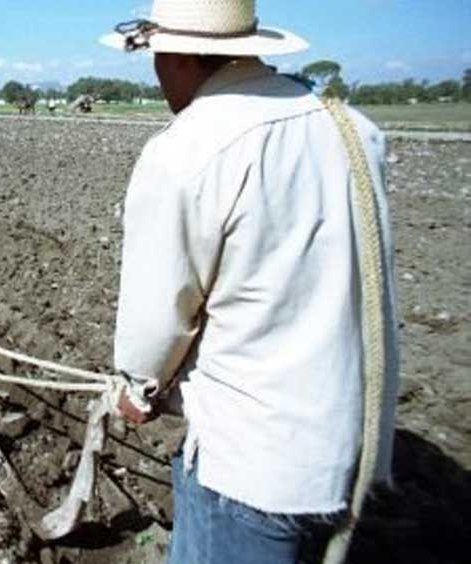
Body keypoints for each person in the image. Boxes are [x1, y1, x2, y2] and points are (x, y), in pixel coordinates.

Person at [99, 1, 400, 563]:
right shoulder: (355, 129)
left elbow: (160, 314)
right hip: (351, 453)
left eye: (157, 56)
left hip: (251, 465)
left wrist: (136, 387)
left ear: (182, 55)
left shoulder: (186, 151)